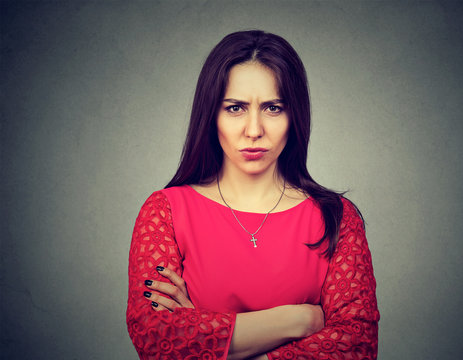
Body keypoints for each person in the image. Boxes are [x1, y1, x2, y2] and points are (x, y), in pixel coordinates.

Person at [126, 30, 379, 360]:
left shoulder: (336, 216)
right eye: (235, 108)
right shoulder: (165, 210)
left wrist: (202, 335)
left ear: (295, 116)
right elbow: (157, 339)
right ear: (210, 115)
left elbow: (356, 346)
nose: (254, 129)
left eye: (273, 107)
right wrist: (300, 319)